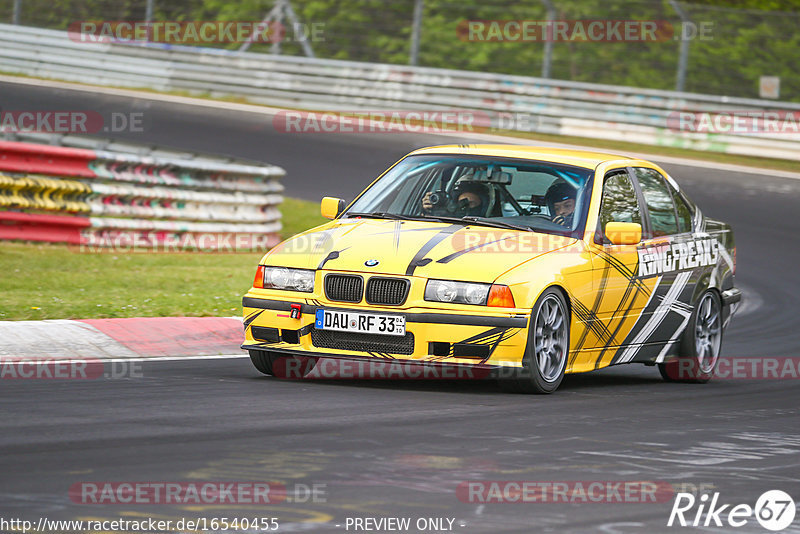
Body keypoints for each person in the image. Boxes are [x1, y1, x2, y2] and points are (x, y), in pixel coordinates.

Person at [422, 180, 490, 217]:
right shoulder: (447, 217)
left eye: (470, 203)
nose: (463, 206)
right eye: (461, 203)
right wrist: (427, 211)